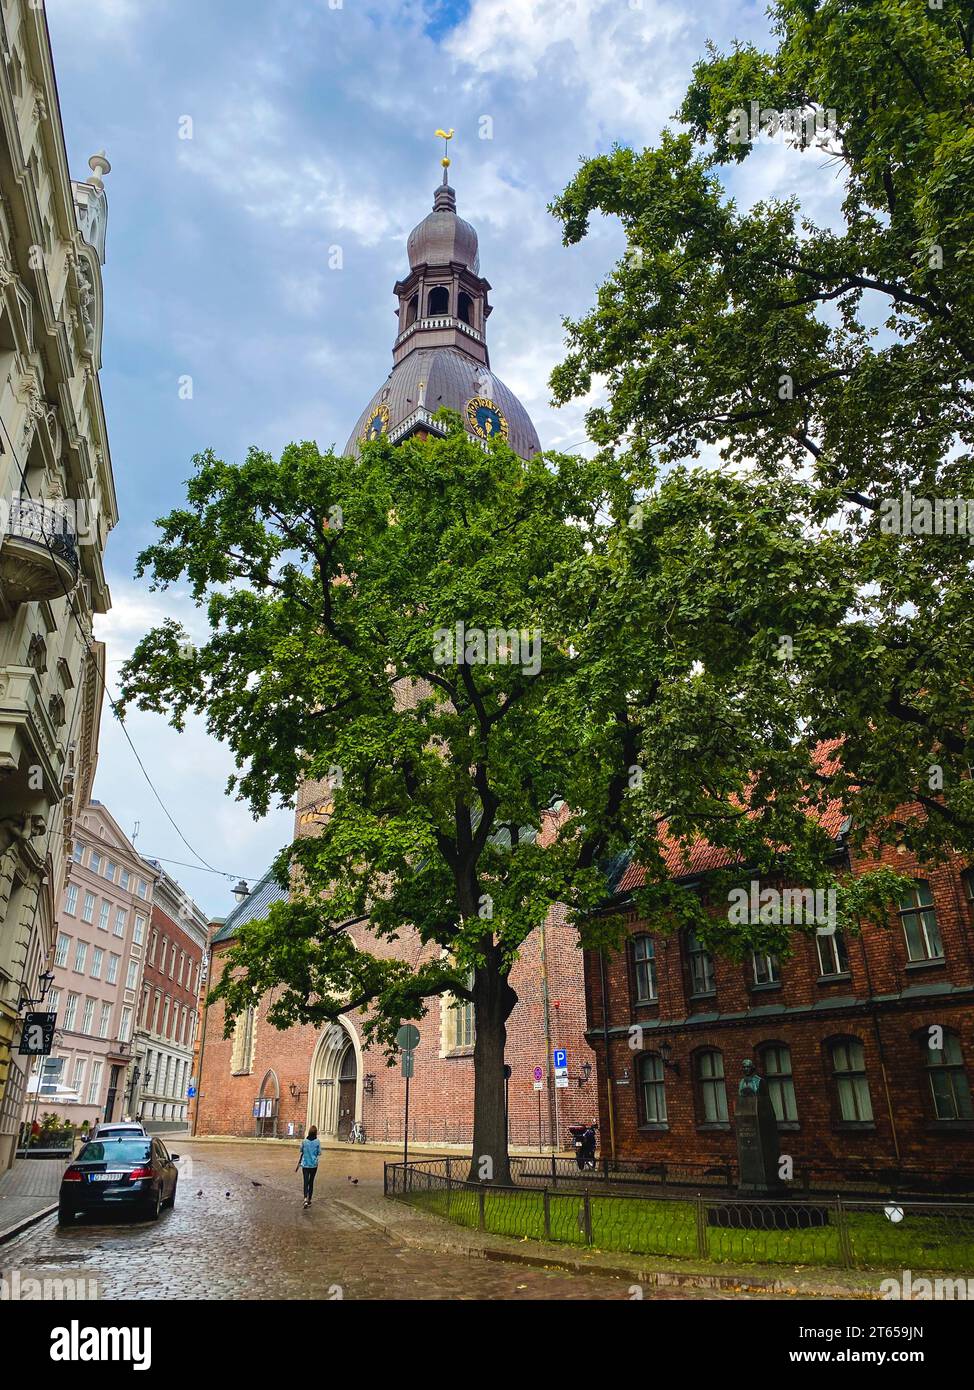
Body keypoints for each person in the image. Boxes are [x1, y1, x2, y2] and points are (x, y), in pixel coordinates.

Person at [296, 1125, 321, 1207]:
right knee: (311, 1182)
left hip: (305, 1164)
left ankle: (305, 1199)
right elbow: (319, 1153)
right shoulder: (317, 1141)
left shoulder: (304, 1141)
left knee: (305, 1182)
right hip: (313, 1165)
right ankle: (310, 1199)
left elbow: (301, 1150)